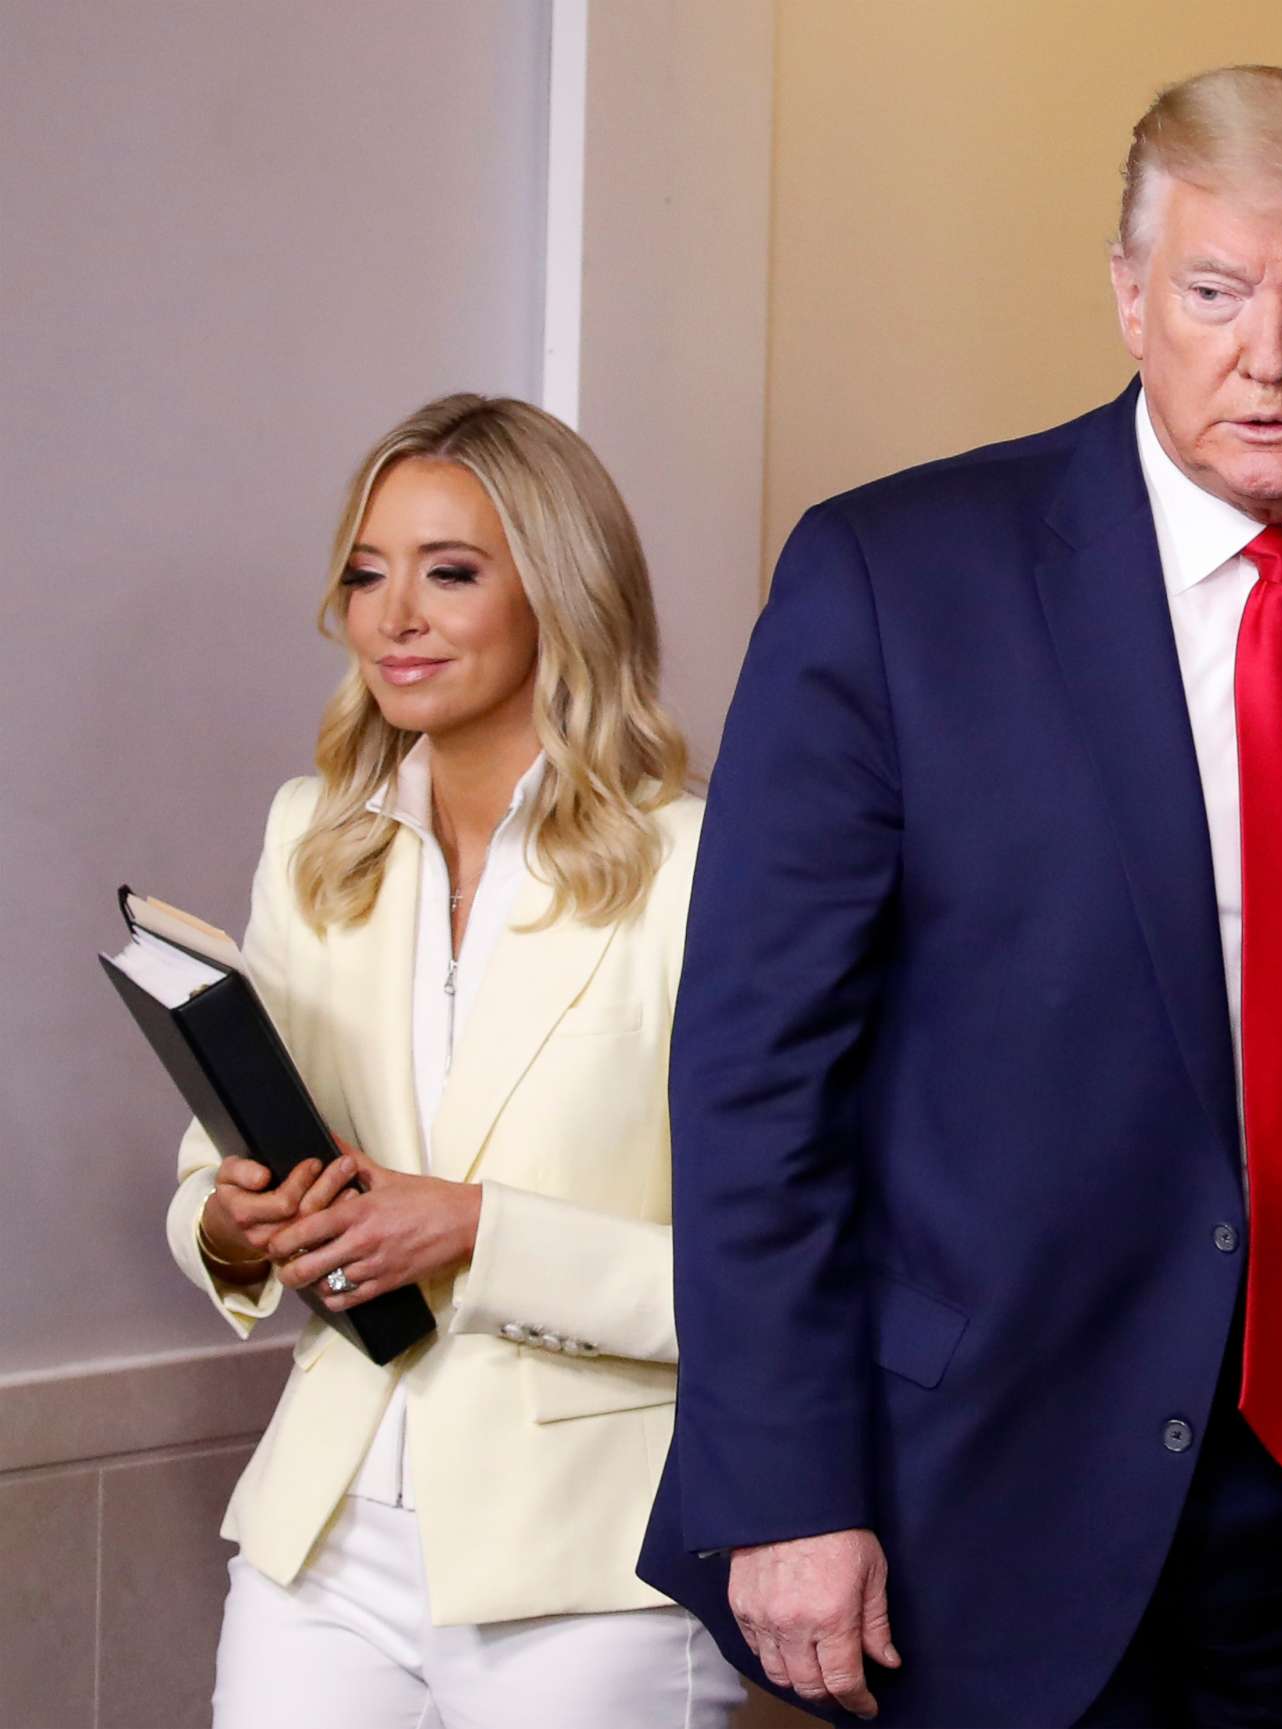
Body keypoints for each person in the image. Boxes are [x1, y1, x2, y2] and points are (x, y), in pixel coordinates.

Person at [643, 66, 1282, 1726]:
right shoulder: (899, 582)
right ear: (1131, 298)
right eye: (1214, 292)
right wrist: (781, 1482)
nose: (1266, 355)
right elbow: (757, 1071)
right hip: (969, 1499)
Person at [166, 394, 742, 1726]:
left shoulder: (700, 866)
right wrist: (234, 1223)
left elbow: (768, 1274)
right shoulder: (315, 839)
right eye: (367, 574)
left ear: (561, 591)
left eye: (450, 572)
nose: (393, 617)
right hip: (330, 1518)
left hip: (598, 1550)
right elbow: (218, 1152)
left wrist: (475, 1231)